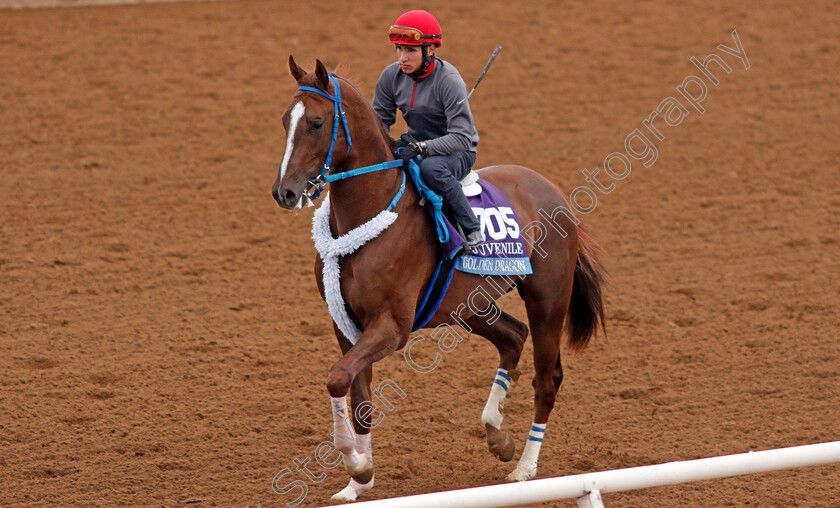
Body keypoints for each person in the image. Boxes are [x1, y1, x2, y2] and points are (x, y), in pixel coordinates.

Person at [372, 9, 485, 250]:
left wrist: (423, 148)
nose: (402, 57)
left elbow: (462, 137)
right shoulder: (390, 76)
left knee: (431, 169)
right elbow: (380, 121)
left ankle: (470, 228)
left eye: (410, 50)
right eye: (399, 49)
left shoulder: (449, 81)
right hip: (415, 143)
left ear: (430, 50)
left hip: (457, 152)